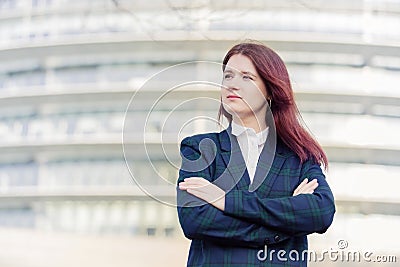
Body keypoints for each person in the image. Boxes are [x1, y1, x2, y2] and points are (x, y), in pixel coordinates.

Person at [177, 41, 335, 266]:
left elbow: (321, 212)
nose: (232, 85)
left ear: (270, 89)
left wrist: (226, 201)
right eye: (228, 76)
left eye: (246, 77)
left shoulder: (300, 156)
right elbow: (194, 220)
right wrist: (286, 222)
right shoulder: (199, 148)